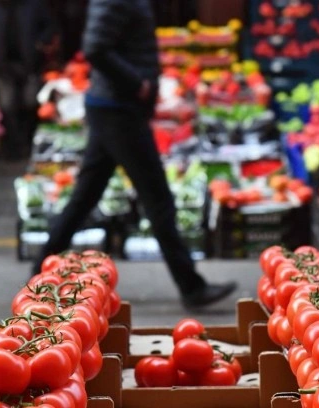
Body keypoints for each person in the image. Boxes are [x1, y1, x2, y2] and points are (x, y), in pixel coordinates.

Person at [33, 0, 237, 309]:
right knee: (157, 197)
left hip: (114, 107)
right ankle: (191, 286)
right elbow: (95, 48)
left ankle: (38, 274)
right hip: (118, 110)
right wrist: (138, 83)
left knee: (85, 197)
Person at [0, 0, 57, 161]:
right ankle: (12, 146)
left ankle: (29, 143)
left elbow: (49, 25)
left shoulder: (34, 4)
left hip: (30, 62)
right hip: (1, 64)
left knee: (31, 102)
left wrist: (39, 44)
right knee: (7, 105)